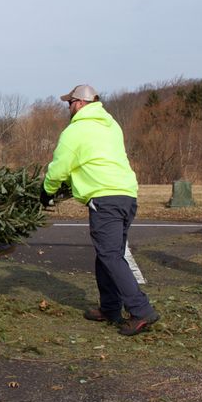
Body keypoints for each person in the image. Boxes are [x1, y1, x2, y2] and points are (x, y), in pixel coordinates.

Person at [40, 84, 159, 336]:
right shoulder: (111, 124)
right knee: (108, 252)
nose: (68, 108)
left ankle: (140, 310)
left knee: (110, 255)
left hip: (105, 199)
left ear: (80, 103)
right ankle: (110, 308)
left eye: (69, 103)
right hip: (126, 195)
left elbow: (60, 167)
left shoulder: (77, 130)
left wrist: (47, 191)